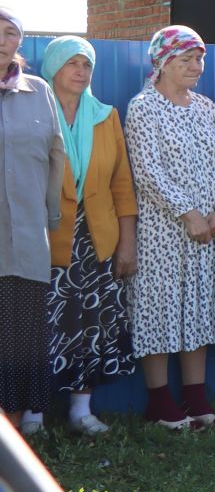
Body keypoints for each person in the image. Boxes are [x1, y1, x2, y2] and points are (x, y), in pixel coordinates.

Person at [125, 25, 215, 430]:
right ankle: (159, 402)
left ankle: (196, 400)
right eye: (186, 59)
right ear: (163, 62)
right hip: (165, 230)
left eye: (199, 58)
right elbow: (148, 172)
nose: (196, 66)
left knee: (199, 308)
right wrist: (188, 214)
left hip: (211, 230)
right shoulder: (143, 107)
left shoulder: (206, 107)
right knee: (160, 308)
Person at [44, 36, 137, 435]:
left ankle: (82, 410)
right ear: (53, 68)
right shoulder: (33, 111)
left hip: (97, 236)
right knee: (42, 321)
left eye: (87, 65)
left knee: (92, 323)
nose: (81, 72)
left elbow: (121, 183)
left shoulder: (105, 116)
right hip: (45, 234)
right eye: (72, 64)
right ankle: (33, 411)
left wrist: (127, 241)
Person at [0, 10, 64, 433]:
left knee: (20, 334)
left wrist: (50, 216)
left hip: (25, 234)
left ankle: (15, 424)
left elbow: (57, 155)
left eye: (10, 34)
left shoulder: (37, 90)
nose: (2, 39)